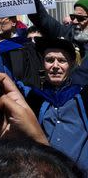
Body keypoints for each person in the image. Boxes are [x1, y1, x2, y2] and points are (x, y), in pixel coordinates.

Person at [22, 37, 88, 170]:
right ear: (43, 64)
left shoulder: (83, 97)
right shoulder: (33, 98)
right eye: (50, 60)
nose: (55, 66)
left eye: (62, 61)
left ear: (72, 64)